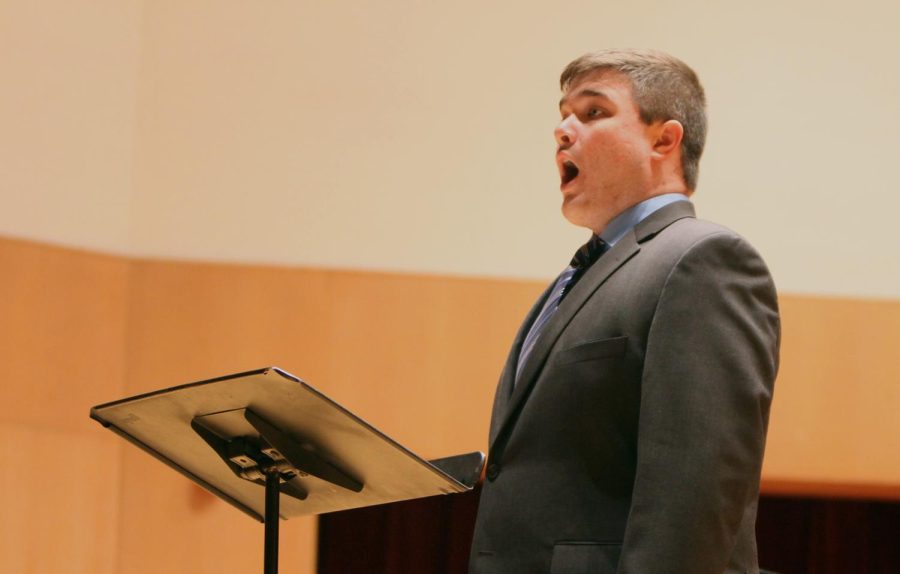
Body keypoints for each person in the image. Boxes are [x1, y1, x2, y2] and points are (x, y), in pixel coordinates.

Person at [468, 49, 780, 574]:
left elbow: (697, 492)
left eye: (593, 112)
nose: (563, 131)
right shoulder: (576, 278)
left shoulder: (702, 260)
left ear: (665, 139)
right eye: (562, 115)